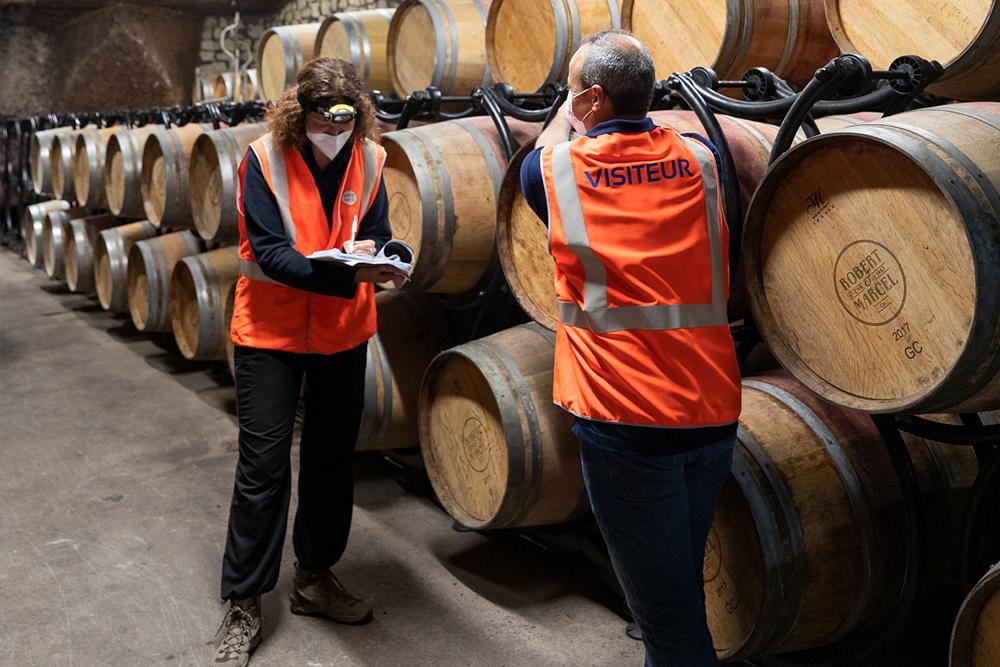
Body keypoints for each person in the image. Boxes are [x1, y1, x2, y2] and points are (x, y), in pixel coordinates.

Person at [520, 30, 742, 667]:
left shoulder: (557, 171)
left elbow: (538, 154)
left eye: (571, 91)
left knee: (669, 623)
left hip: (628, 424)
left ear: (591, 98)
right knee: (675, 592)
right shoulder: (701, 157)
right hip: (711, 410)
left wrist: (563, 113)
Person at [214, 57, 408, 666]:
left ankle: (314, 578)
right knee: (263, 467)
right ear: (300, 114)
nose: (335, 133)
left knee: (330, 462)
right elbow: (270, 252)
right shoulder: (263, 159)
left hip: (341, 335)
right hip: (269, 334)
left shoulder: (370, 158)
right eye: (324, 121)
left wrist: (383, 259)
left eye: (345, 121)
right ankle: (244, 600)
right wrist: (348, 277)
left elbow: (376, 228)